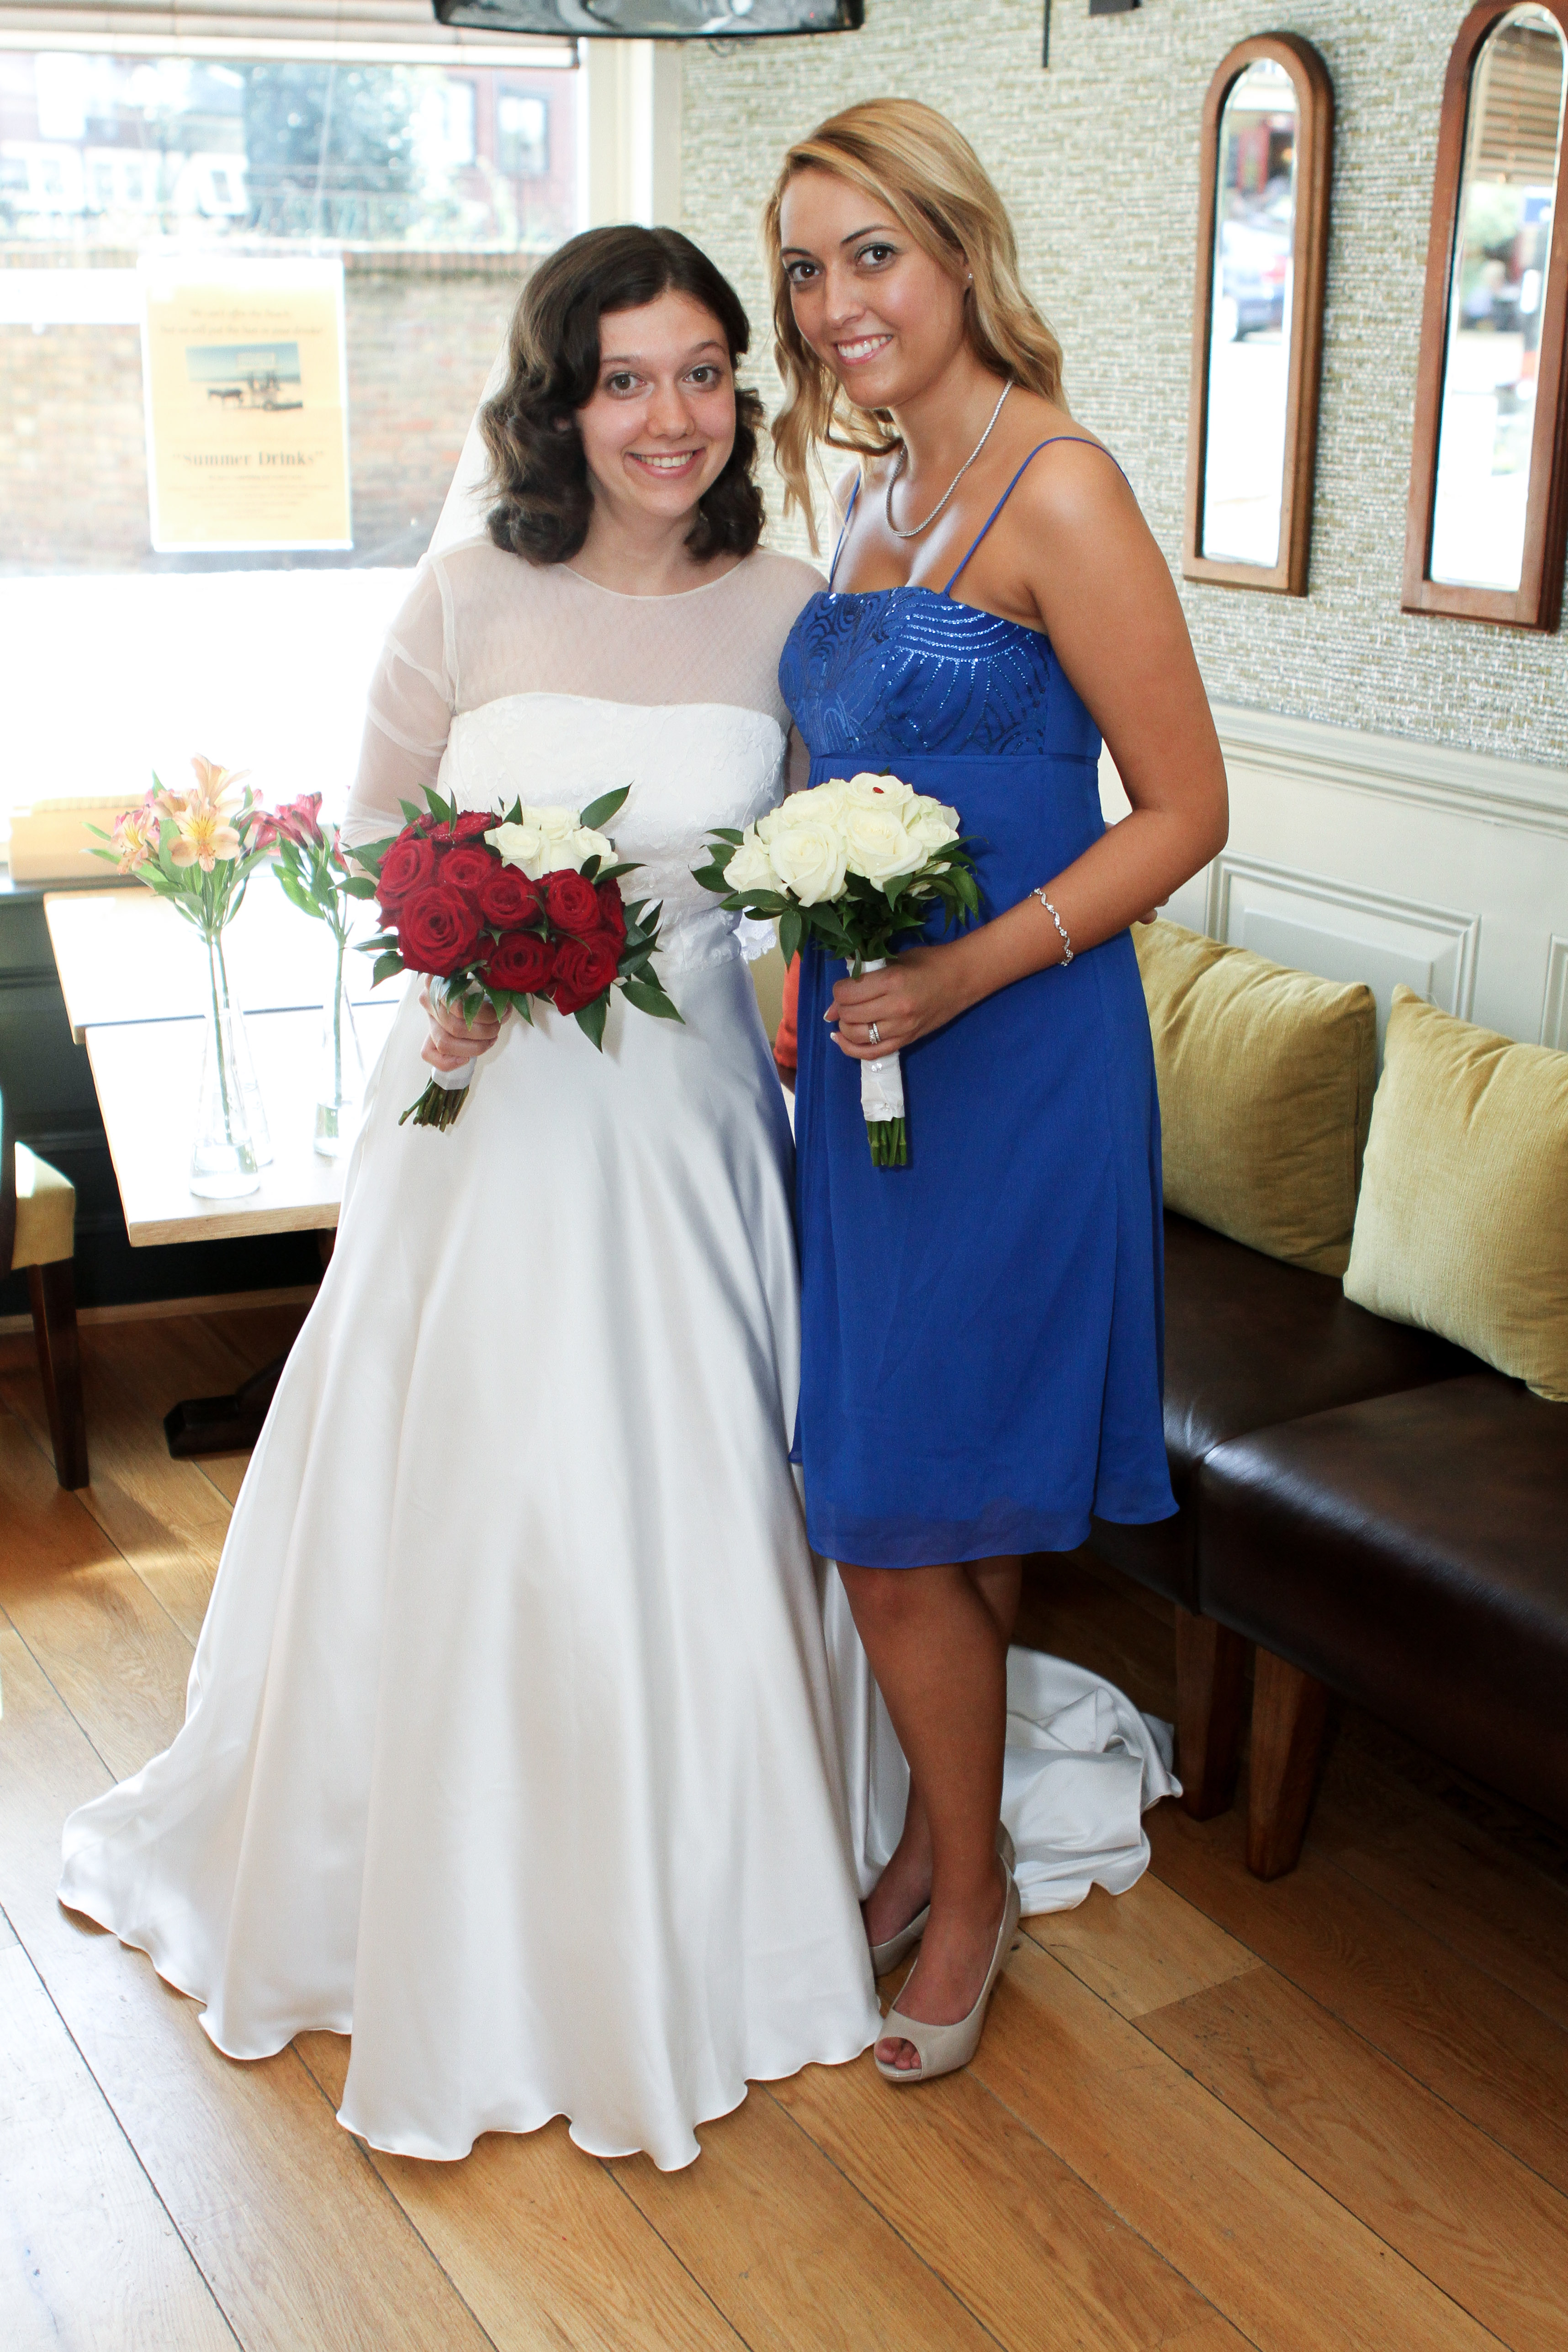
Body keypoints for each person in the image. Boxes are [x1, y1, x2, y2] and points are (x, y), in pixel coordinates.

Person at [57, 226, 884, 2172]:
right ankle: (441, 1885)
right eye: (625, 380)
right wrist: (458, 955)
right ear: (559, 402)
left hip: (682, 1126)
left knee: (682, 1476)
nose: (668, 416)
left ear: (739, 397)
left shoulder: (793, 606)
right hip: (485, 1107)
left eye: (701, 374)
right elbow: (369, 831)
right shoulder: (466, 590)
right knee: (478, 1482)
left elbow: (823, 851)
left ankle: (710, 1870)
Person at [768, 100, 1229, 2085]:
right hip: (865, 1071)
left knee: (890, 1512)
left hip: (1018, 1055)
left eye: (872, 252)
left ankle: (968, 1901)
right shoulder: (873, 494)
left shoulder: (1063, 485)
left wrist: (966, 966)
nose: (836, 300)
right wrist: (800, 960)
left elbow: (1190, 811)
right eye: (805, 265)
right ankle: (934, 1846)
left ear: (959, 252)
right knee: (913, 1495)